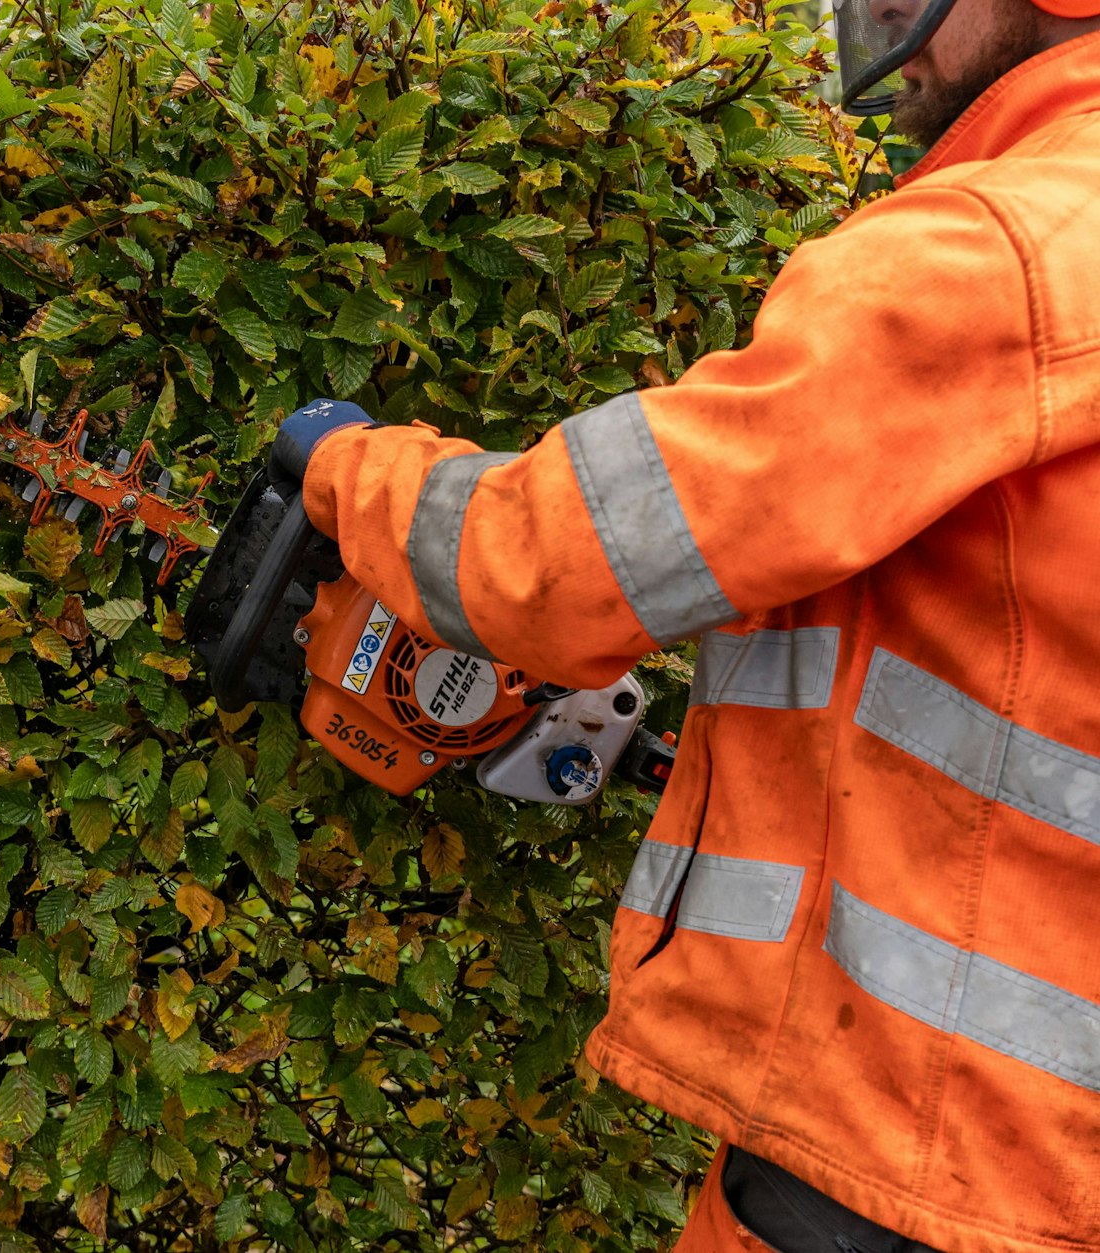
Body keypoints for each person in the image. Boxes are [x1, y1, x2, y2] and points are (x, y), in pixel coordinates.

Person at [270, 0, 1100, 1246]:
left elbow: (568, 554)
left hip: (926, 1156)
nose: (883, 31)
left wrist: (346, 469)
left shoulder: (1009, 247)